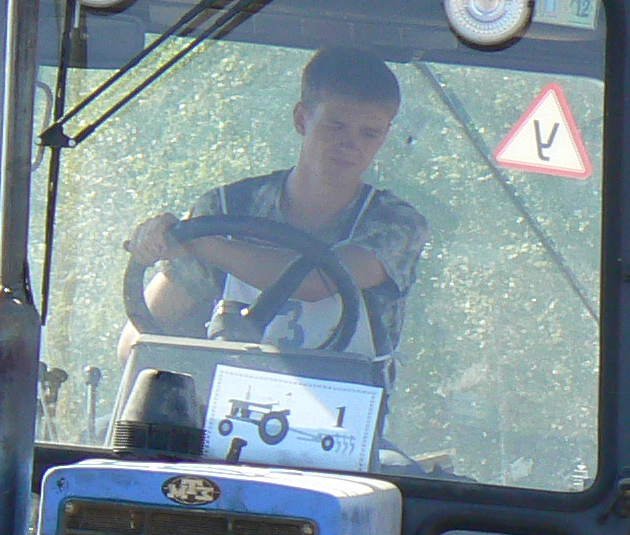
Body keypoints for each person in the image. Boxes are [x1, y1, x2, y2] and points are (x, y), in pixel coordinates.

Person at [126, 46, 431, 361]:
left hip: (347, 408)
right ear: (302, 119)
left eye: (369, 133)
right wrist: (159, 239)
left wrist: (195, 242)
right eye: (335, 125)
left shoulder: (395, 225)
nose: (350, 144)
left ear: (384, 136)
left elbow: (317, 281)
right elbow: (138, 343)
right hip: (226, 404)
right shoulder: (227, 208)